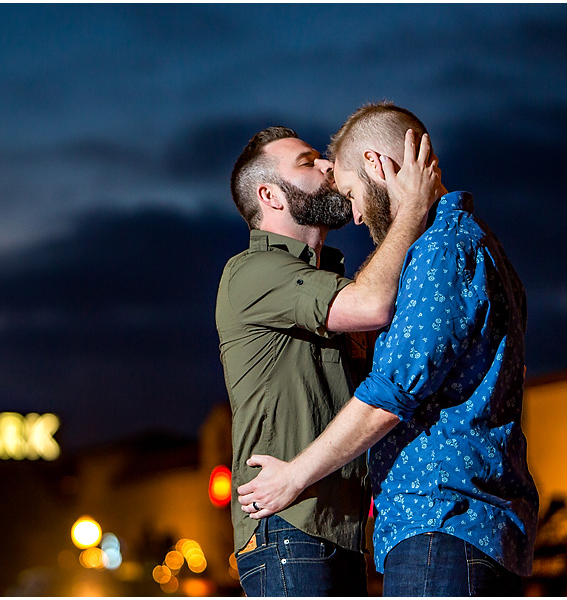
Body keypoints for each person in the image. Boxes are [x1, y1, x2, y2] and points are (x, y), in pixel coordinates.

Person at [236, 102, 539, 596]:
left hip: (442, 518)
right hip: (471, 523)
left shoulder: (439, 251)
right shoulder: (480, 247)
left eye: (352, 191)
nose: (353, 212)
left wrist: (294, 475)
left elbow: (393, 389)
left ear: (378, 166)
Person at [216, 124, 440, 596]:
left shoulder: (327, 279)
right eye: (306, 162)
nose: (326, 166)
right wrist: (413, 207)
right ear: (270, 196)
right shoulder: (252, 272)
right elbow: (372, 305)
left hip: (339, 530)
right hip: (289, 528)